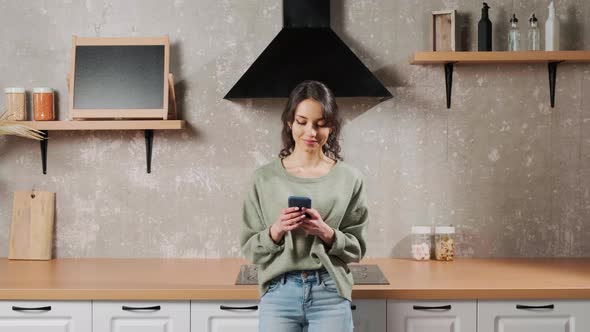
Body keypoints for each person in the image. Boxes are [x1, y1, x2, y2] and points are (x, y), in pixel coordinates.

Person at [240, 80, 368, 332]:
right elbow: (250, 250)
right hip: (278, 293)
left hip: (330, 292)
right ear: (289, 122)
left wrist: (326, 233)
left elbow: (357, 249)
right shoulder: (263, 178)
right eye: (302, 122)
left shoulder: (350, 178)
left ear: (331, 127)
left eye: (321, 124)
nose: (311, 132)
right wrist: (275, 231)